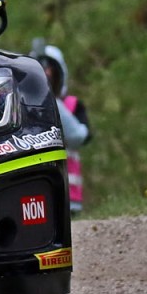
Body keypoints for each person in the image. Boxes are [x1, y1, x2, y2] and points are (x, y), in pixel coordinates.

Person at [34, 43, 91, 213]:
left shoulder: (72, 105)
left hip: (70, 198)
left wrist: (53, 103)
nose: (46, 74)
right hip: (38, 198)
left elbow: (79, 137)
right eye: (41, 69)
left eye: (49, 69)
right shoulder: (25, 107)